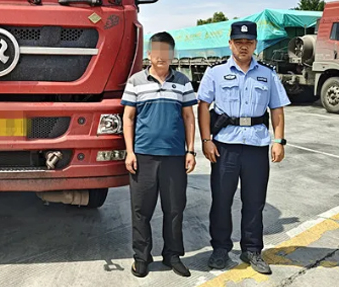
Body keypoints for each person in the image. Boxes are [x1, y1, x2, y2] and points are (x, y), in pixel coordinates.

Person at [197, 21, 289, 275]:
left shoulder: (267, 74)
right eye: (239, 42)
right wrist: (206, 140)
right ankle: (220, 249)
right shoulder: (215, 73)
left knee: (254, 201)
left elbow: (277, 109)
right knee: (221, 200)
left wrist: (279, 140)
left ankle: (252, 250)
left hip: (256, 146)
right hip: (225, 146)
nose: (243, 46)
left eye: (248, 42)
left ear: (255, 44)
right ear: (230, 44)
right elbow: (203, 106)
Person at [121, 32, 197, 278]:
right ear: (149, 54)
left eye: (166, 52)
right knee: (141, 210)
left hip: (174, 156)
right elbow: (128, 118)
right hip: (143, 156)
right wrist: (130, 152)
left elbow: (189, 117)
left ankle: (172, 255)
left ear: (172, 55)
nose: (161, 56)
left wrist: (190, 150)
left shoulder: (183, 81)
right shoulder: (136, 81)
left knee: (174, 209)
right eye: (157, 51)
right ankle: (141, 257)